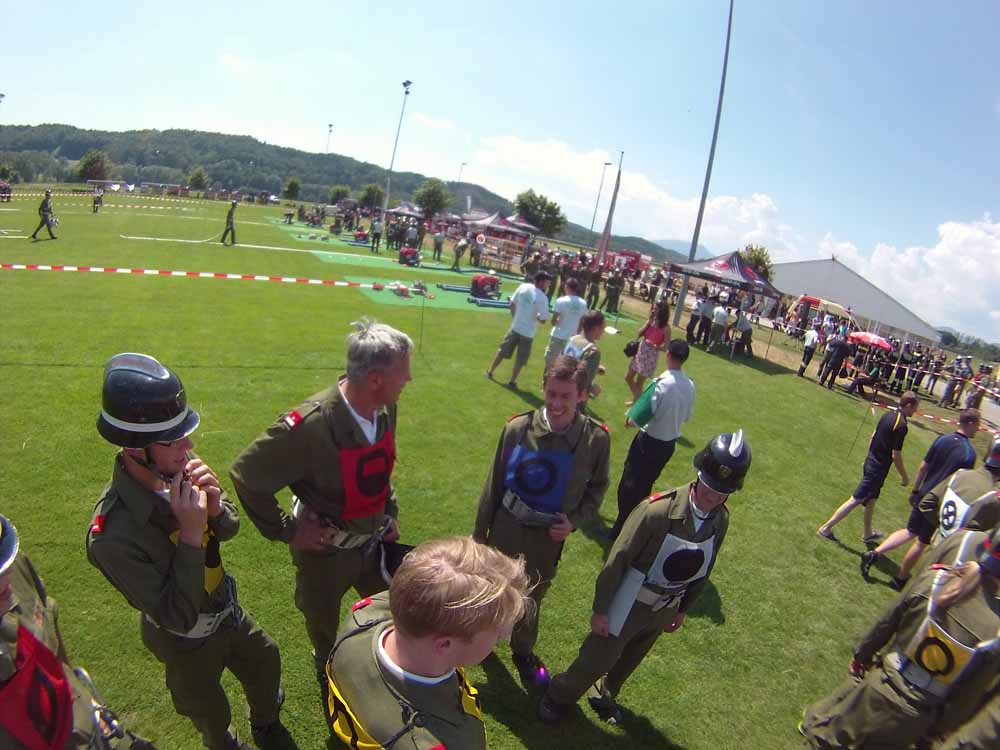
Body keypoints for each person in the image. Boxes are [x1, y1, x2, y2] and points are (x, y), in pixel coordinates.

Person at [86, 353, 285, 750]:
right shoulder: (111, 537)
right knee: (209, 711)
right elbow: (177, 616)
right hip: (184, 641)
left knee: (266, 660)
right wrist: (191, 535)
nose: (189, 446)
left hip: (227, 611)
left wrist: (216, 508)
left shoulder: (178, 464)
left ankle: (266, 723)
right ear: (135, 447)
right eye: (173, 439)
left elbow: (229, 526)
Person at [229, 319, 412, 705]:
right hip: (326, 556)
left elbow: (380, 468)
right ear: (375, 379)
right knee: (324, 625)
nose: (409, 379)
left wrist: (389, 510)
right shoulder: (309, 426)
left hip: (374, 545)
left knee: (393, 610)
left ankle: (384, 664)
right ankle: (330, 669)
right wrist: (289, 530)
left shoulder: (383, 409)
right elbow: (247, 475)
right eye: (403, 371)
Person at [540, 431, 751, 724]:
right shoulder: (656, 512)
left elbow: (705, 566)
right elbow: (617, 561)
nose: (712, 496)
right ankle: (558, 695)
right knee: (598, 657)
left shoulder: (720, 520)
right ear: (698, 475)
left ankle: (604, 693)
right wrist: (601, 610)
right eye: (708, 486)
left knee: (630, 659)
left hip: (665, 605)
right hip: (630, 599)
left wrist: (683, 609)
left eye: (722, 491)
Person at [474, 355, 610, 689]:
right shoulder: (518, 429)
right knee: (493, 589)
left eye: (566, 396)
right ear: (543, 388)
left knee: (532, 597)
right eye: (551, 393)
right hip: (506, 528)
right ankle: (481, 643)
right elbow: (493, 485)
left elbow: (597, 489)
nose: (557, 403)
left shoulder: (595, 440)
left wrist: (573, 522)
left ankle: (522, 650)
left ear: (582, 395)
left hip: (546, 539)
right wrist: (479, 536)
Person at [799, 525, 1000, 750]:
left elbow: (887, 622)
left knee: (826, 741)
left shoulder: (935, 581)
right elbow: (968, 695)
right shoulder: (995, 632)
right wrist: (940, 728)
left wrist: (862, 654)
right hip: (917, 716)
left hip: (880, 685)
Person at [326, 536, 532, 750]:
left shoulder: (364, 615)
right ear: (444, 645)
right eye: (497, 633)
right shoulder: (443, 743)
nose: (505, 633)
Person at [1, 512, 159, 749]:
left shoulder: (15, 567)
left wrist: (88, 702)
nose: (6, 582)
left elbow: (53, 650)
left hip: (95, 731)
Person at [861, 409, 981, 588]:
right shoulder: (968, 454)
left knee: (910, 530)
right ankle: (900, 579)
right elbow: (961, 483)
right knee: (922, 542)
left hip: (924, 493)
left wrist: (916, 490)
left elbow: (924, 466)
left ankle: (874, 554)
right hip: (939, 501)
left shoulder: (942, 439)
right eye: (977, 424)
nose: (978, 429)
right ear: (970, 423)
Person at [611, 339, 695, 540]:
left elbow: (636, 417)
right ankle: (636, 524)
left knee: (629, 484)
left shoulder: (661, 383)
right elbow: (686, 417)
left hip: (648, 441)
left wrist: (630, 419)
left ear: (668, 355)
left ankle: (621, 525)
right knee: (646, 485)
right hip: (668, 445)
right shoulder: (690, 386)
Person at [817, 392, 919, 545]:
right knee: (856, 499)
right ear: (909, 405)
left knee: (872, 499)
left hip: (871, 462)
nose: (915, 411)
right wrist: (904, 477)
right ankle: (826, 528)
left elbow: (873, 436)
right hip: (877, 469)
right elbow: (896, 455)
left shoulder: (888, 415)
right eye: (915, 407)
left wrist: (868, 457)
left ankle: (867, 534)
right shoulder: (901, 425)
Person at [925, 435, 1000, 544]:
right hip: (958, 552)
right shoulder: (993, 498)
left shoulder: (960, 474)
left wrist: (944, 528)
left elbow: (926, 503)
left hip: (937, 542)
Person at [485, 271, 551, 389]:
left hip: (515, 327)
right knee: (520, 359)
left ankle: (490, 372)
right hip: (528, 333)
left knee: (502, 351)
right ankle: (512, 381)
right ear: (541, 282)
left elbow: (512, 303)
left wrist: (515, 317)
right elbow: (543, 320)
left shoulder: (523, 286)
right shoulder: (543, 298)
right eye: (547, 282)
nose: (548, 285)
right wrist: (536, 316)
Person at [625, 303, 671, 401]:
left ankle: (636, 402)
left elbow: (666, 347)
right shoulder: (651, 321)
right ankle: (639, 399)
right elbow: (639, 333)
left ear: (662, 311)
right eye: (653, 308)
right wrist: (648, 323)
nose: (653, 311)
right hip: (640, 351)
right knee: (628, 377)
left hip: (651, 355)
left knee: (639, 382)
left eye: (656, 309)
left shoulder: (666, 328)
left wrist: (654, 345)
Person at [544, 277, 587, 371]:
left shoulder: (560, 300)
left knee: (550, 361)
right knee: (567, 363)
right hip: (572, 338)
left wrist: (559, 320)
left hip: (558, 334)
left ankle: (546, 379)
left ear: (566, 287)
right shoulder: (583, 303)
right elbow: (582, 322)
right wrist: (577, 334)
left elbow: (553, 321)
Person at [564, 310, 607, 404]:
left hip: (561, 385)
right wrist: (592, 388)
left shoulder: (573, 339)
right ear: (595, 328)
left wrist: (595, 368)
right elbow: (583, 381)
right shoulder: (593, 351)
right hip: (574, 396)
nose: (603, 331)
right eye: (603, 328)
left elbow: (569, 362)